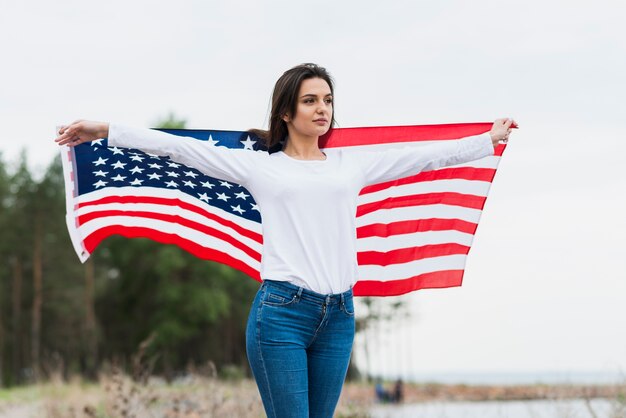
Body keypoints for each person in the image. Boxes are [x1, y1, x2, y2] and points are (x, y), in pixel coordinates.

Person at [55, 63, 516, 418]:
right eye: (311, 100)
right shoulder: (261, 166)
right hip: (282, 316)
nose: (322, 109)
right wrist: (106, 130)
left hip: (338, 315)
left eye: (328, 101)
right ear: (286, 111)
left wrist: (486, 140)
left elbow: (422, 158)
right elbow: (181, 149)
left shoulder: (349, 166)